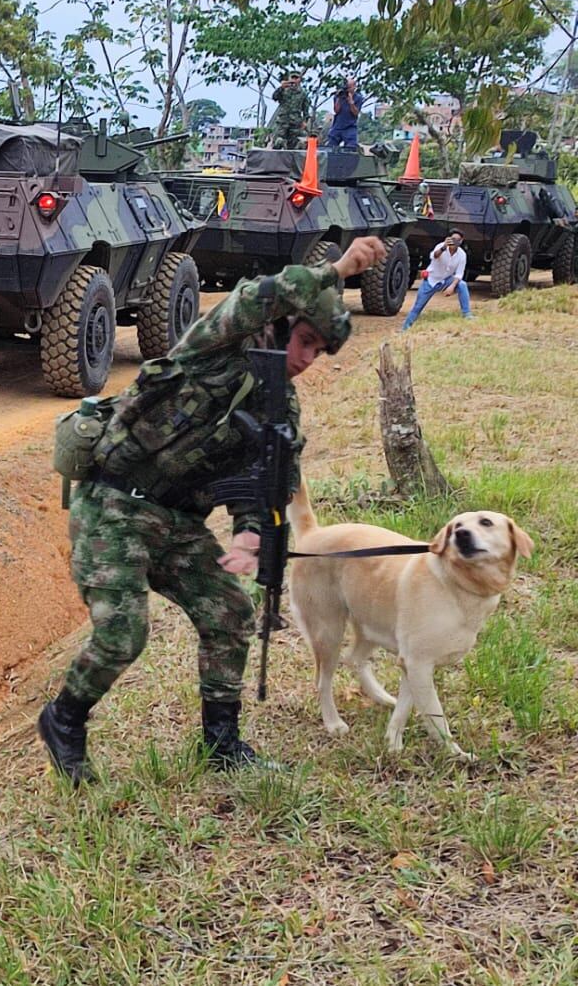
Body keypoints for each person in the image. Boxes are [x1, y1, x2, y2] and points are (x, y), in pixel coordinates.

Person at [37, 235, 389, 783]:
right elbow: (260, 293)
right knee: (123, 632)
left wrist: (250, 533)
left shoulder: (280, 406)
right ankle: (64, 719)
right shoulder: (217, 345)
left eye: (318, 351)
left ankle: (221, 744)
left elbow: (269, 480)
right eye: (304, 341)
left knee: (231, 612)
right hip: (113, 504)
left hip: (177, 522)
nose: (305, 360)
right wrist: (338, 269)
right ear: (278, 327)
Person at [400, 230, 471, 330]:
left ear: (461, 241)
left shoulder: (462, 254)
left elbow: (459, 274)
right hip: (431, 280)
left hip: (446, 280)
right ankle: (405, 328)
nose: (455, 242)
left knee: (462, 285)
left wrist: (452, 286)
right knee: (418, 306)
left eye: (458, 240)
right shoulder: (441, 246)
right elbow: (434, 256)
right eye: (453, 239)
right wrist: (443, 248)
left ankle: (467, 314)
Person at [266, 72, 312, 150]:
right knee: (278, 142)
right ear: (289, 79)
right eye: (292, 78)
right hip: (282, 121)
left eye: (296, 78)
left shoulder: (302, 94)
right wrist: (281, 88)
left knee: (293, 145)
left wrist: (305, 121)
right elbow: (274, 97)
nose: (294, 80)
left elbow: (306, 110)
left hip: (295, 123)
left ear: (299, 80)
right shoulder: (283, 90)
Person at [326, 77, 364, 150]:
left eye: (349, 87)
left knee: (351, 147)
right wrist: (338, 98)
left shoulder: (358, 98)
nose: (347, 89)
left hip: (350, 126)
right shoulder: (338, 96)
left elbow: (356, 113)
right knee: (330, 147)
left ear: (354, 87)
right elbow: (336, 110)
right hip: (338, 126)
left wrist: (351, 102)